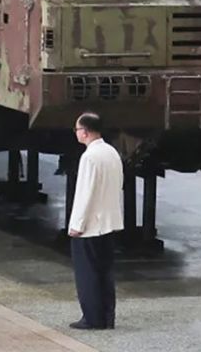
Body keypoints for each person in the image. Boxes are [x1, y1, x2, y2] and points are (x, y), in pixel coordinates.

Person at [67, 112, 124, 331]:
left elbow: (85, 193)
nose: (76, 133)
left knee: (87, 274)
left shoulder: (89, 157)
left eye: (77, 130)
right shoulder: (111, 152)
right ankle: (107, 317)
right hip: (109, 222)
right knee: (105, 273)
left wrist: (77, 224)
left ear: (86, 131)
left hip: (90, 225)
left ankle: (92, 318)